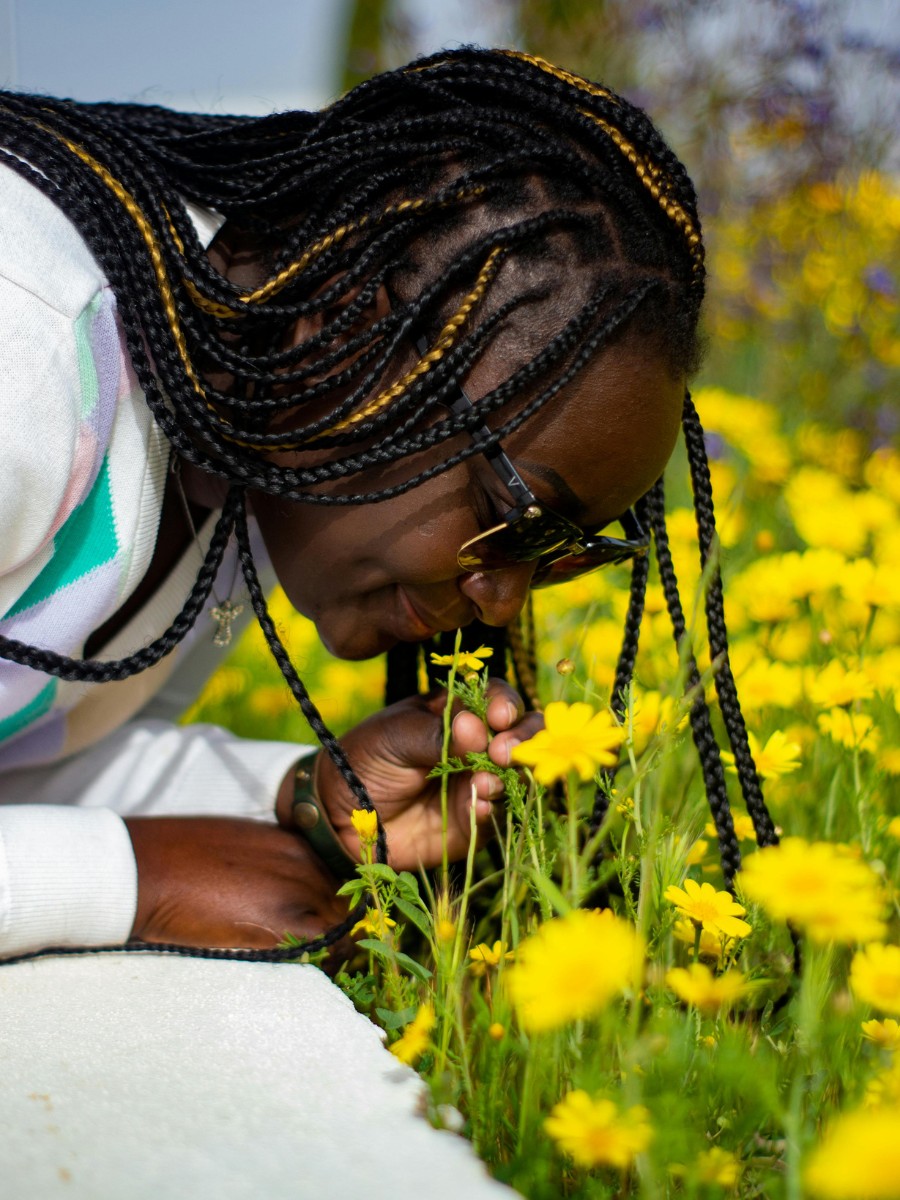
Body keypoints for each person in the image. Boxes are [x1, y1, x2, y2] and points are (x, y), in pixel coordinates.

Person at [0, 48, 774, 962]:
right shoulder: (30, 354)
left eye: (560, 552)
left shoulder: (240, 457)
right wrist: (129, 879)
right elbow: (87, 848)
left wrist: (304, 798)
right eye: (513, 512)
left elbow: (25, 772)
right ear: (348, 317)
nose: (504, 600)